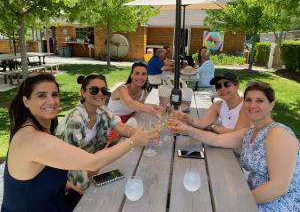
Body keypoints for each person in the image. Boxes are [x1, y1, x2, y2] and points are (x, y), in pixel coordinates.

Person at [1, 73, 159, 212]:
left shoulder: (40, 128)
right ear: (26, 101)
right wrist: (133, 141)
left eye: (54, 95)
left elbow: (43, 173)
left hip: (55, 200)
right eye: (42, 95)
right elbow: (92, 163)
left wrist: (65, 185)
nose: (51, 101)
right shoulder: (34, 139)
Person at [168, 82, 300, 212]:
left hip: (275, 204)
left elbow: (279, 187)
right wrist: (187, 130)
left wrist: (236, 200)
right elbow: (217, 139)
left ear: (271, 105)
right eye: (248, 100)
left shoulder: (278, 134)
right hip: (252, 193)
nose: (252, 105)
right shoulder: (250, 132)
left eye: (260, 100)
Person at [55, 74, 137, 195]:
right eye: (94, 90)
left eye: (104, 90)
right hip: (71, 178)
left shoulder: (101, 110)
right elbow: (72, 164)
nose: (100, 94)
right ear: (83, 92)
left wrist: (138, 133)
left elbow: (119, 126)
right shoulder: (75, 121)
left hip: (95, 166)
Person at [171, 73, 250, 133]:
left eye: (227, 84)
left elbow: (236, 134)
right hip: (225, 147)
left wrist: (213, 127)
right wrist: (187, 118)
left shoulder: (247, 106)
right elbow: (202, 123)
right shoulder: (218, 105)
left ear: (237, 86)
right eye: (218, 86)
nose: (222, 89)